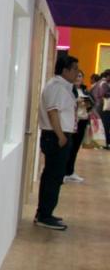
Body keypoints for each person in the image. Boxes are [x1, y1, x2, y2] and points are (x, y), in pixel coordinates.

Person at [33, 53, 79, 230]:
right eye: (74, 69)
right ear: (65, 70)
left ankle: (45, 212)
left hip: (59, 135)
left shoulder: (63, 87)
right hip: (55, 136)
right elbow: (53, 112)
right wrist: (61, 137)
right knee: (53, 176)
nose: (77, 72)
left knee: (54, 175)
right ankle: (44, 215)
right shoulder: (56, 87)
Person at [64, 70, 91, 182]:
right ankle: (65, 172)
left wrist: (88, 104)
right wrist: (76, 102)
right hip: (73, 121)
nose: (78, 78)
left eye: (80, 76)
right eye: (76, 76)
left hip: (83, 120)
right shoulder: (69, 89)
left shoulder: (85, 90)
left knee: (75, 148)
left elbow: (90, 105)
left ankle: (70, 171)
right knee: (69, 147)